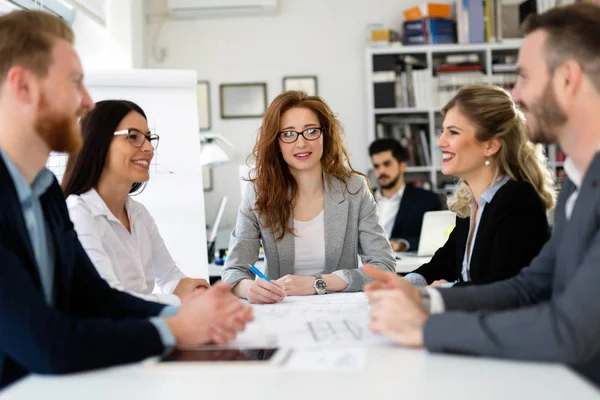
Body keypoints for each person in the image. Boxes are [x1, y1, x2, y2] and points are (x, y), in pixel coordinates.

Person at [0, 10, 252, 389]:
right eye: (74, 82)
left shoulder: (45, 191)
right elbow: (47, 342)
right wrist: (176, 328)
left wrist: (190, 312)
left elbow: (95, 298)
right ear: (23, 87)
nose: (86, 101)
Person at [364, 3, 600, 386]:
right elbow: (529, 286)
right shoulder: (578, 180)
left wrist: (426, 327)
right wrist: (426, 299)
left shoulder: (540, 194)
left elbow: (569, 330)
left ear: (568, 78)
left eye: (523, 76)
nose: (516, 93)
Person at [222, 90, 396, 304]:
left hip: (342, 310)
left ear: (325, 135)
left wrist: (318, 283)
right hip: (281, 310)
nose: (301, 143)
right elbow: (233, 271)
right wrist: (249, 288)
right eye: (288, 133)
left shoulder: (354, 189)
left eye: (311, 131)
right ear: (276, 142)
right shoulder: (259, 192)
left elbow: (384, 267)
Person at [403, 84, 554, 288]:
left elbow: (500, 287)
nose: (440, 142)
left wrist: (444, 292)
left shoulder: (518, 200)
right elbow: (441, 265)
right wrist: (404, 284)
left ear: (490, 145)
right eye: (443, 131)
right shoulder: (470, 204)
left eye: (453, 132)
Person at [61, 100, 209, 306]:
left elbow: (168, 277)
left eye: (148, 138)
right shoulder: (78, 214)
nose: (148, 148)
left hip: (140, 328)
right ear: (98, 143)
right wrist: (176, 299)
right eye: (133, 137)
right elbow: (109, 297)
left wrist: (195, 290)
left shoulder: (138, 213)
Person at [368, 138, 441, 252]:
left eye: (387, 164)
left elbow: (435, 239)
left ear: (402, 166)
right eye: (376, 166)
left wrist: (401, 244)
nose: (381, 171)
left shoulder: (426, 200)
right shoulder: (363, 199)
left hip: (404, 266)